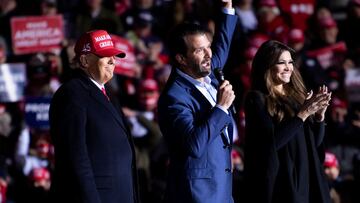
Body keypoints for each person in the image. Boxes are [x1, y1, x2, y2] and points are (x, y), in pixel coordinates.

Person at [157, 1, 237, 202]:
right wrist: (220, 108)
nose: (209, 54)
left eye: (208, 47)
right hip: (198, 194)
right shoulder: (174, 98)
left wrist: (227, 8)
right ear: (181, 59)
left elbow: (222, 46)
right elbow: (194, 145)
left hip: (222, 189)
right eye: (199, 50)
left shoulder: (206, 68)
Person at [49, 30, 139, 203]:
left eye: (114, 56)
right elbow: (75, 156)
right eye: (105, 56)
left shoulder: (109, 94)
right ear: (84, 60)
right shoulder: (72, 94)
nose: (113, 61)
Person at [243, 40, 332, 203]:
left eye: (290, 62)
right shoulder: (257, 99)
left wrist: (319, 117)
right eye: (281, 63)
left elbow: (314, 144)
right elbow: (271, 144)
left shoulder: (298, 97)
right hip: (283, 184)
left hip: (308, 180)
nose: (288, 67)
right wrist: (302, 114)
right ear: (267, 66)